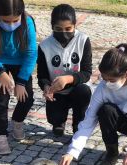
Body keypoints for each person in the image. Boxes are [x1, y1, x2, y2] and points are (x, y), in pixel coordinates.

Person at [0, 0, 37, 155]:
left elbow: (32, 53)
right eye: (6, 21)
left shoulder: (28, 21)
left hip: (20, 62)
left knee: (27, 97)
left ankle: (18, 121)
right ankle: (1, 135)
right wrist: (0, 72)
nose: (11, 25)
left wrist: (22, 81)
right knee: (1, 98)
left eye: (15, 21)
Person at [37, 4, 92, 137]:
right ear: (52, 27)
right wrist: (46, 86)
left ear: (75, 25)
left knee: (84, 91)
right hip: (57, 92)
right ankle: (59, 122)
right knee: (54, 118)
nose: (64, 33)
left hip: (77, 88)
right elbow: (42, 76)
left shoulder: (83, 40)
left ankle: (78, 124)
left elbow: (87, 72)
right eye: (58, 29)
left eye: (68, 29)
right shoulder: (45, 46)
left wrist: (68, 79)